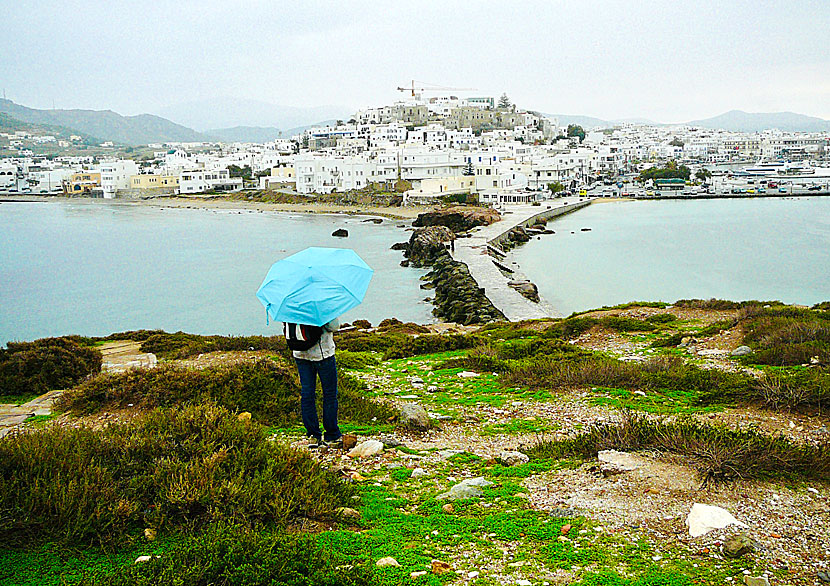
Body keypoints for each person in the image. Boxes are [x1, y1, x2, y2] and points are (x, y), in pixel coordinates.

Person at [291, 318, 342, 449]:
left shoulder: (291, 305)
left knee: (307, 394)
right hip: (323, 354)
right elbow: (333, 326)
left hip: (300, 354)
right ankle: (332, 434)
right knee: (329, 394)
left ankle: (313, 434)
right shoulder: (320, 303)